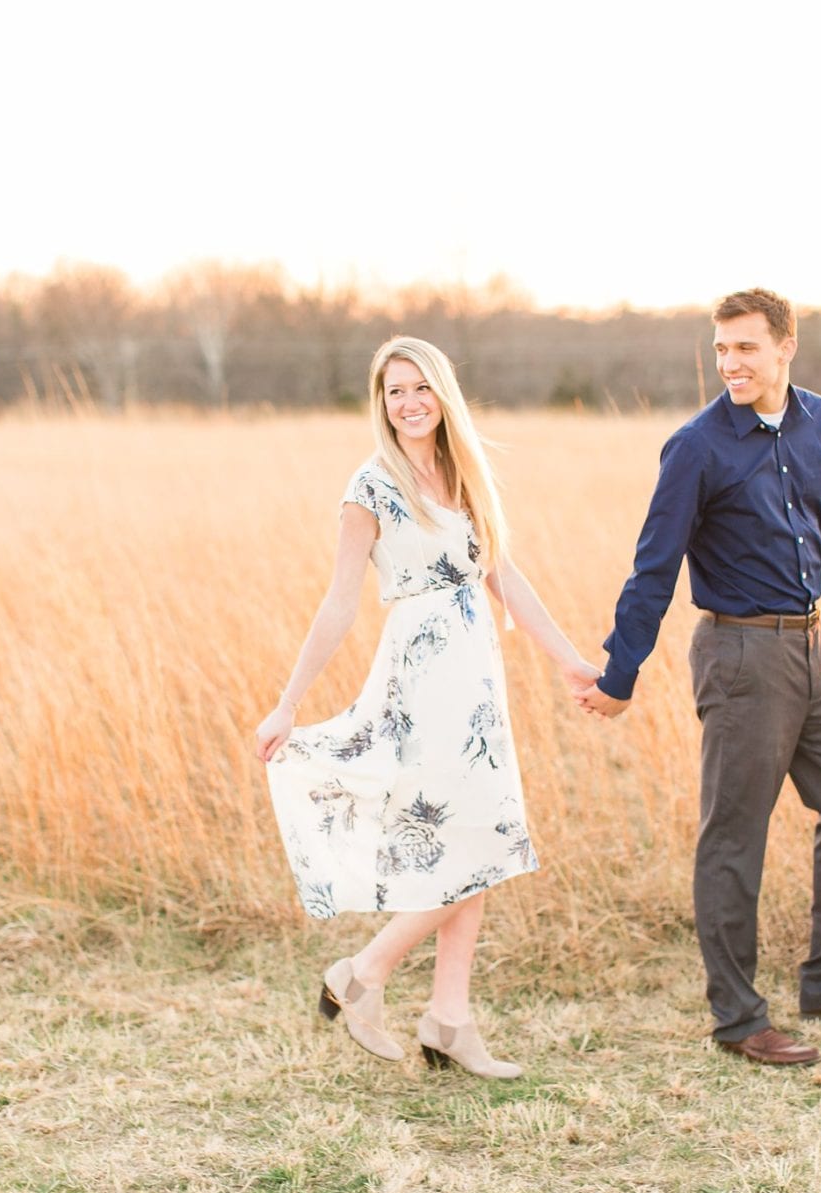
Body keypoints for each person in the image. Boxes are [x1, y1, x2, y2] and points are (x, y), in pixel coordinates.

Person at [575, 288, 821, 1066]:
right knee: (734, 840)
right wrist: (619, 673)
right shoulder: (697, 448)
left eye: (746, 348)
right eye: (722, 349)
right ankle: (739, 1019)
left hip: (814, 649)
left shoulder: (820, 423)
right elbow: (653, 570)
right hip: (740, 657)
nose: (730, 363)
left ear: (785, 348)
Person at [256, 335, 597, 1078]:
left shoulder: (466, 474)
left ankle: (448, 1018)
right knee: (477, 842)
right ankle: (363, 974)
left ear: (443, 393)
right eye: (393, 391)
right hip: (421, 676)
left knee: (472, 837)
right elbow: (340, 601)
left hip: (476, 681)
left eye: (419, 388)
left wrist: (570, 660)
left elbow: (507, 579)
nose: (407, 403)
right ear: (380, 403)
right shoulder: (370, 486)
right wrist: (288, 703)